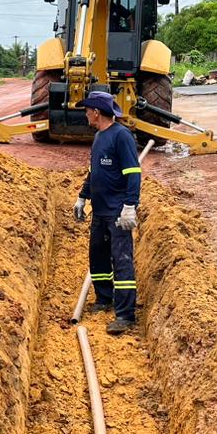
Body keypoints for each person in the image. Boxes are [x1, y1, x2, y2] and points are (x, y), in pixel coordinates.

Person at [72, 91, 141, 334]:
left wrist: (130, 206)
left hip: (118, 211)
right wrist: (83, 196)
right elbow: (94, 172)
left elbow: (133, 173)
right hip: (100, 211)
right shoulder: (99, 136)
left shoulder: (121, 136)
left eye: (87, 109)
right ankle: (104, 299)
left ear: (96, 112)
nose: (85, 114)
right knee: (98, 256)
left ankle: (125, 315)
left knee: (121, 261)